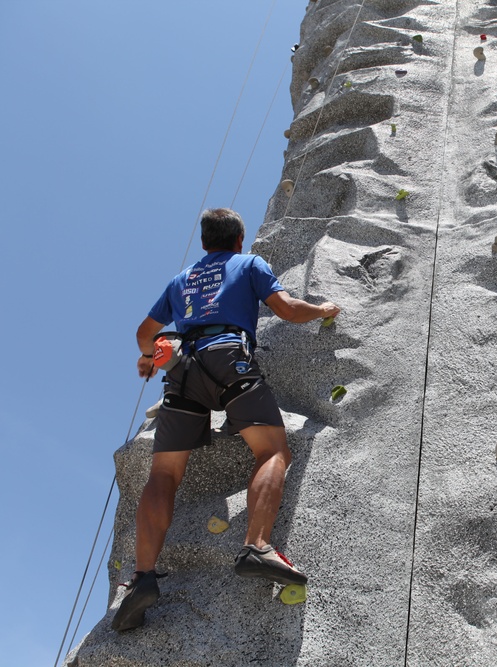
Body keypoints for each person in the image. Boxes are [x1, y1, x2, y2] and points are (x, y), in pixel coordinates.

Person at [112, 208, 341, 632]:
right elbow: (288, 310)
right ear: (239, 240)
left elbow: (145, 334)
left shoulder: (181, 280)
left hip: (183, 368)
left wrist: (150, 358)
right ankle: (255, 547)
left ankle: (142, 579)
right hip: (229, 358)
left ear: (204, 244)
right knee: (273, 450)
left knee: (163, 474)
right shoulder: (249, 263)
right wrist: (324, 307)